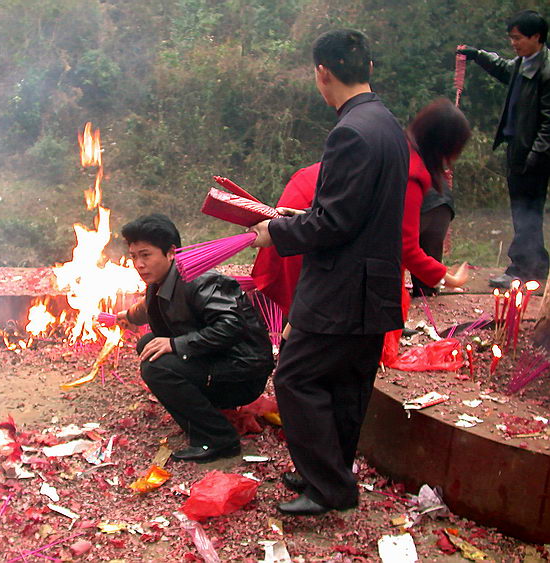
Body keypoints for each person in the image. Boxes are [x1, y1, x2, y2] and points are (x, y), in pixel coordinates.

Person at [250, 29, 409, 515]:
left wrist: (276, 233)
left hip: (341, 286)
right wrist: (299, 219)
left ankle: (329, 488)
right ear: (369, 68)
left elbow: (335, 222)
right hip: (374, 283)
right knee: (347, 383)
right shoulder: (387, 126)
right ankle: (329, 472)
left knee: (296, 378)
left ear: (322, 72)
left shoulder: (350, 132)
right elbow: (355, 213)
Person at [252, 99, 471, 365]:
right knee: (312, 328)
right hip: (315, 227)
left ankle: (285, 375)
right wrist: (448, 278)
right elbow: (405, 247)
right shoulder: (411, 172)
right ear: (447, 147)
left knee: (303, 318)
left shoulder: (390, 142)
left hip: (307, 213)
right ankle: (293, 381)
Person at [116, 213, 274, 462]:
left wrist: (175, 344)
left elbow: (231, 326)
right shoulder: (163, 279)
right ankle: (208, 413)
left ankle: (218, 439)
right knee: (147, 345)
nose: (138, 264)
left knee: (157, 367)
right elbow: (150, 308)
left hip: (243, 371)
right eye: (134, 256)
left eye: (146, 255)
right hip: (218, 359)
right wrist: (127, 316)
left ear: (170, 252)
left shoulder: (202, 281)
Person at [458, 10, 550, 289]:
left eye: (518, 38)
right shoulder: (525, 63)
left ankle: (523, 270)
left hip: (533, 154)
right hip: (519, 148)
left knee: (527, 212)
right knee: (523, 211)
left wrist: (535, 155)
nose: (513, 43)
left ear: (536, 37)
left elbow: (549, 121)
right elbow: (503, 67)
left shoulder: (545, 71)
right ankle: (534, 265)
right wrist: (476, 55)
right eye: (511, 38)